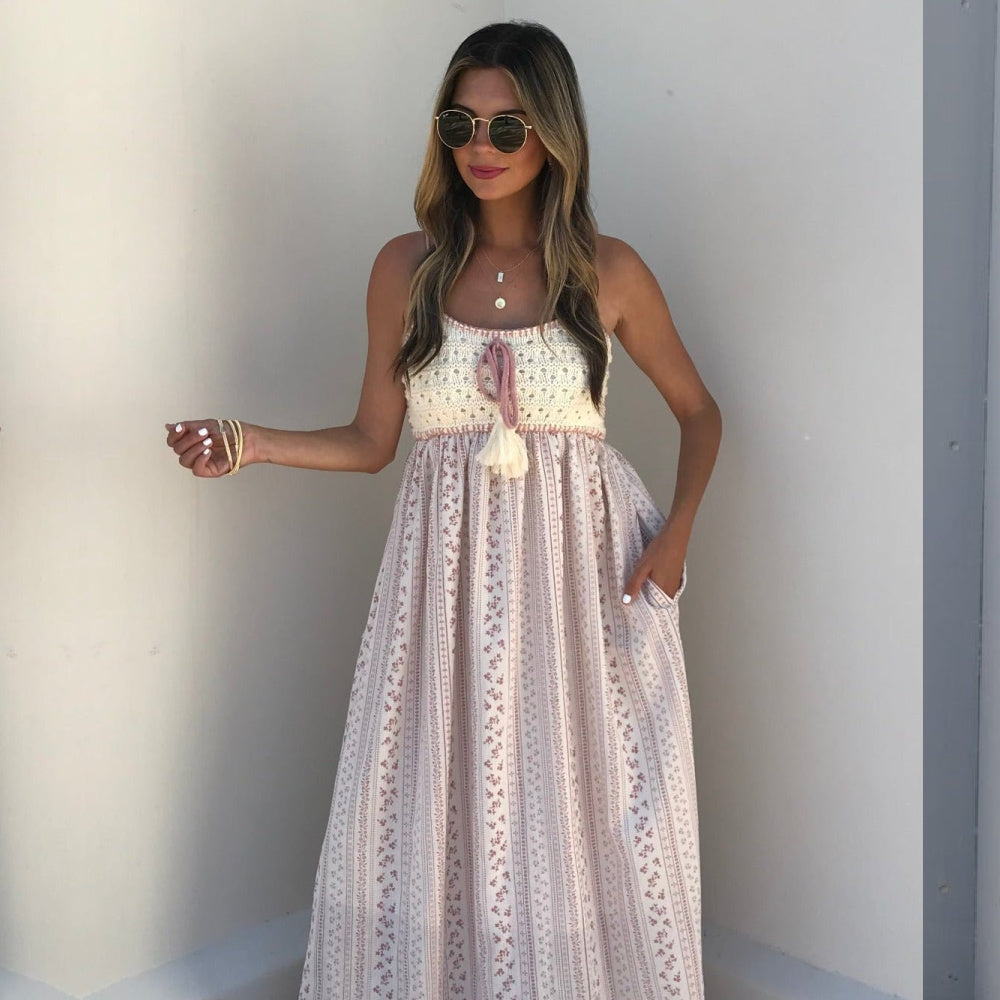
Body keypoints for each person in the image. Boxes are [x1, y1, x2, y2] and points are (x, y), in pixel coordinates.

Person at [165, 20, 720, 999]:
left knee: (581, 795)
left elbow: (699, 412)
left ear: (553, 136)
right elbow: (373, 441)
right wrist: (247, 441)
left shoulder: (609, 270)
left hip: (580, 583)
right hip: (445, 584)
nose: (480, 146)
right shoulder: (404, 269)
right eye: (462, 121)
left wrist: (675, 534)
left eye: (508, 128)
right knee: (440, 793)